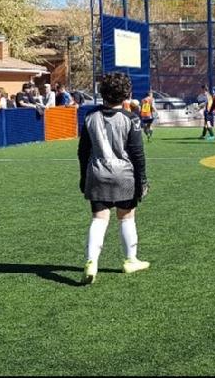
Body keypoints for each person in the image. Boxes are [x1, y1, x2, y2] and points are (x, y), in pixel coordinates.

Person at [77, 72, 150, 285]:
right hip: (124, 176)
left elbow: (83, 151)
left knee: (99, 219)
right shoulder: (131, 119)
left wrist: (84, 177)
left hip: (97, 173)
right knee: (126, 217)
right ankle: (130, 260)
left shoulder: (90, 117)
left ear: (102, 93)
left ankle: (91, 262)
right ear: (127, 94)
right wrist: (142, 180)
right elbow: (137, 154)